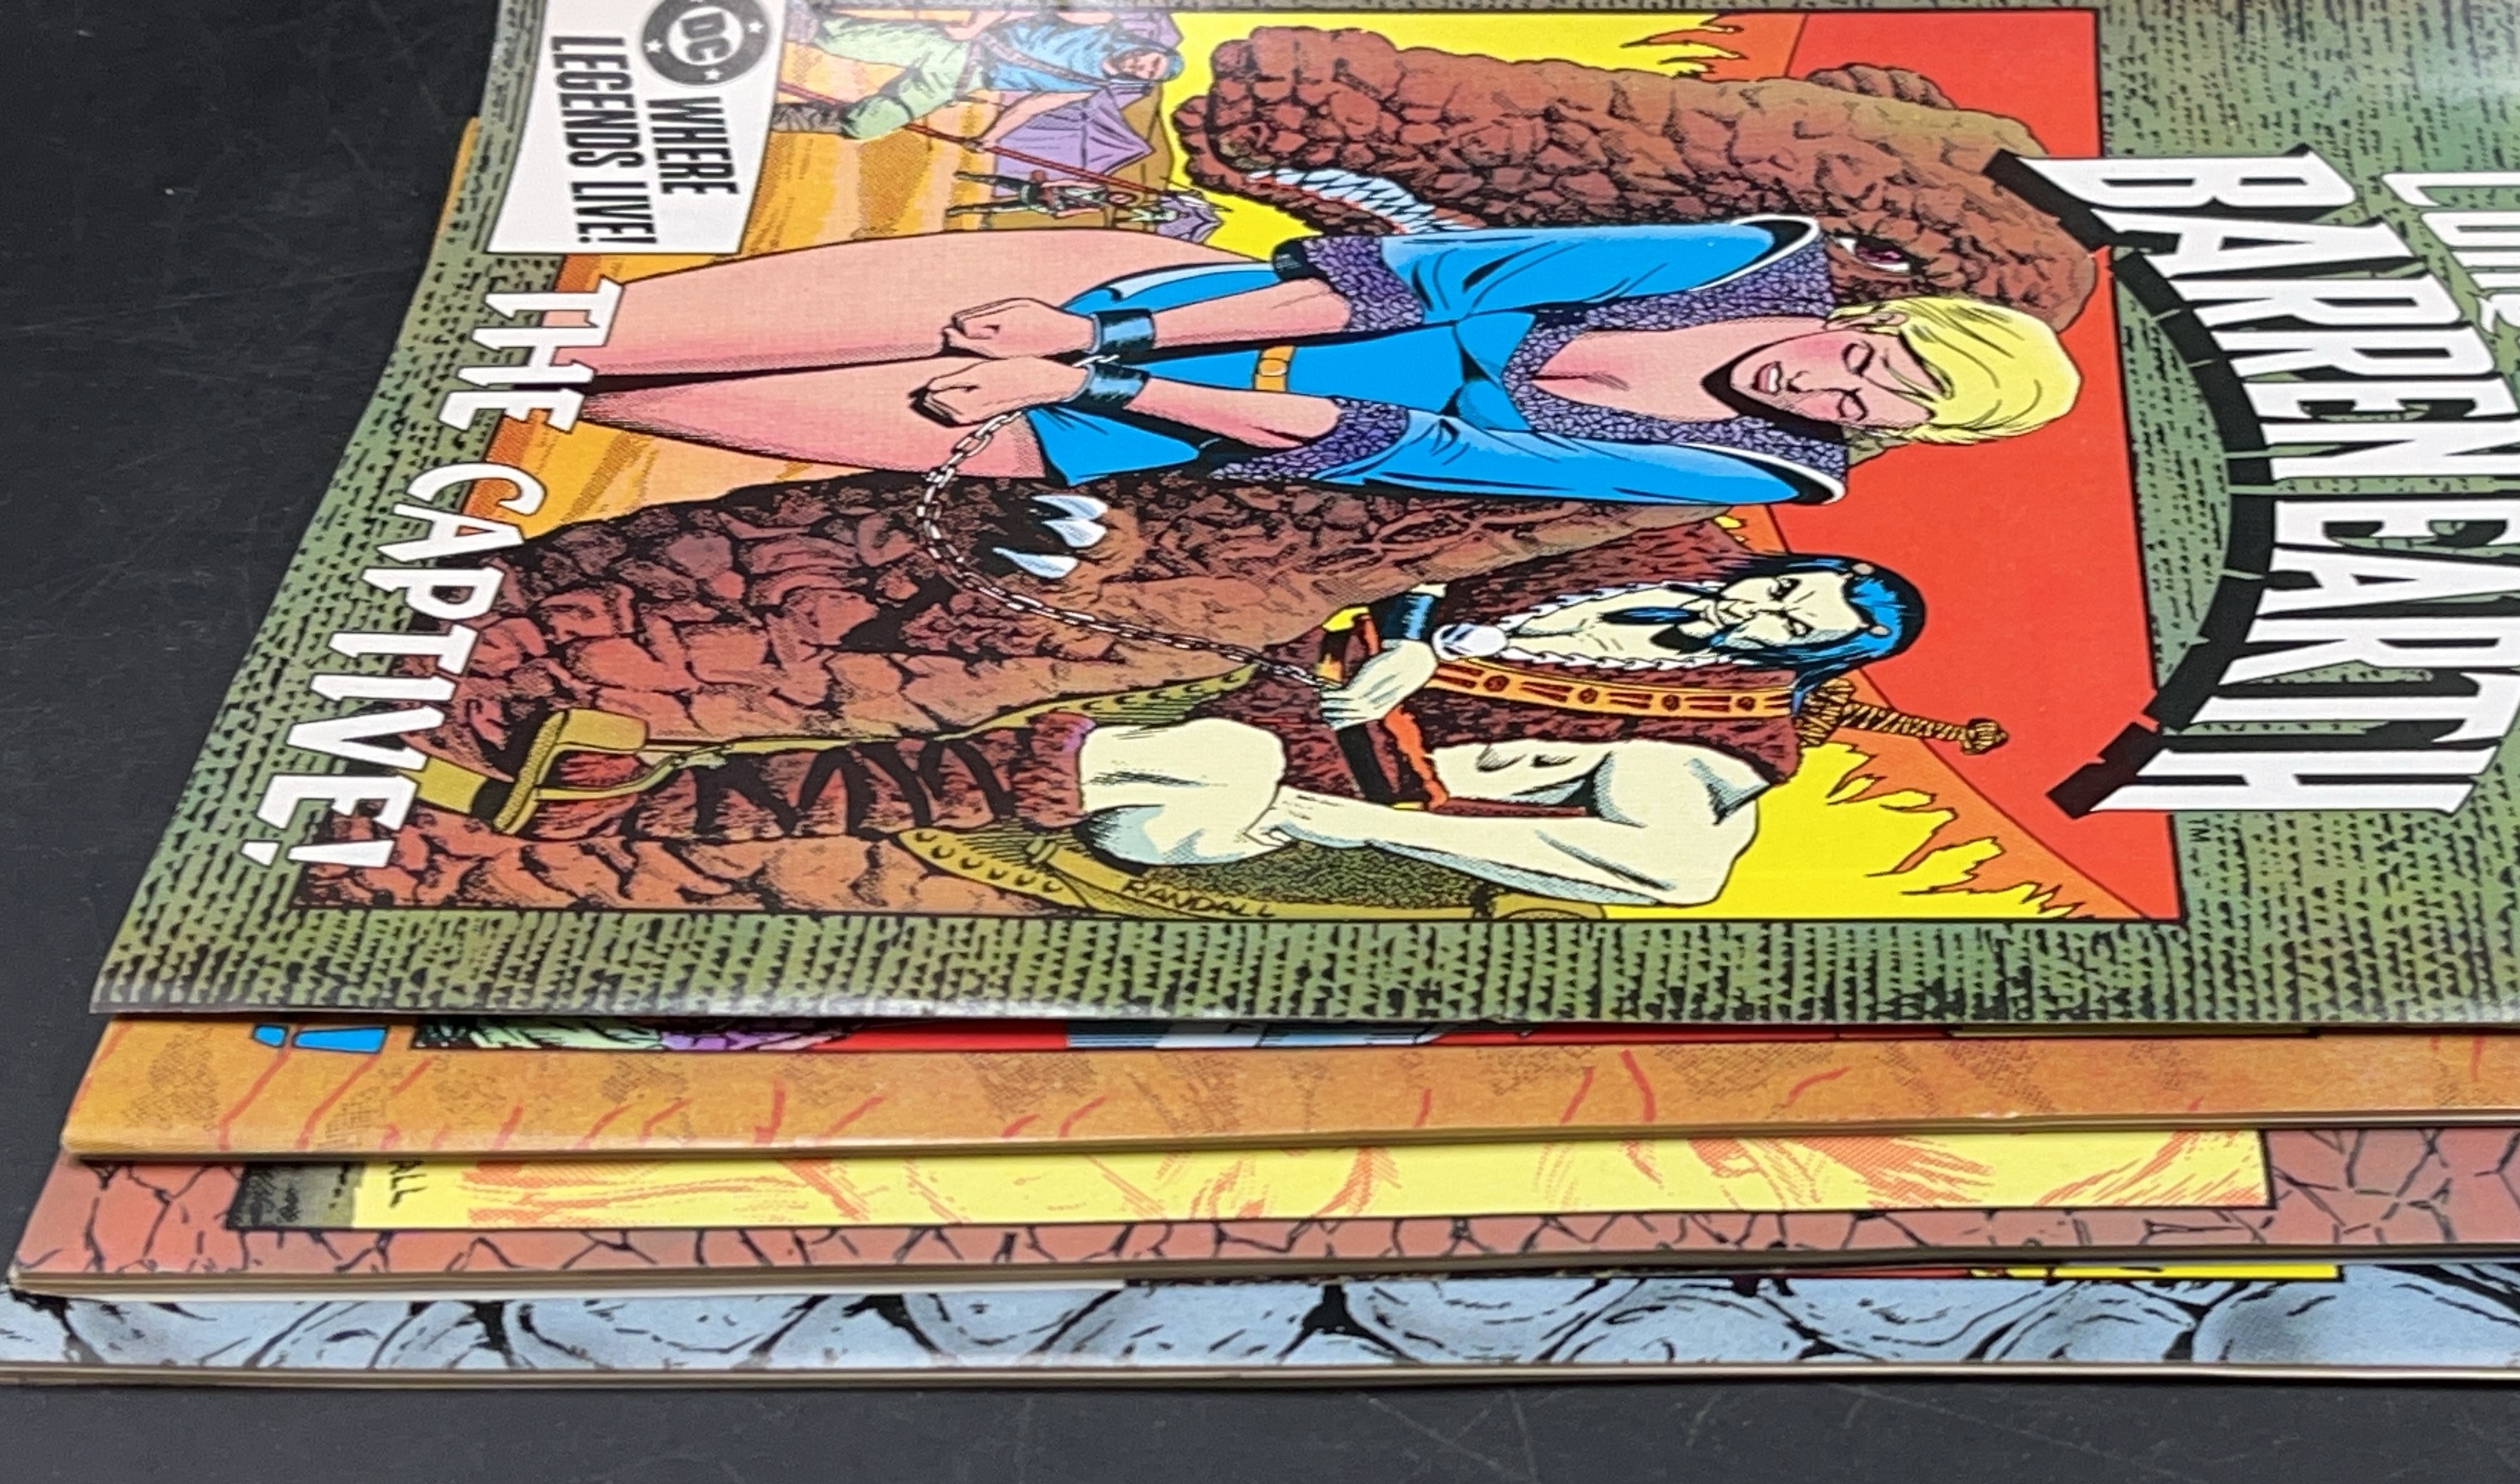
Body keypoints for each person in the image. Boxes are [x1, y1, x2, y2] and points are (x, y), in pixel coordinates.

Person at [408, 551, 1964, 915]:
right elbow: (1441, 562)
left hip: (1288, 801)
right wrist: (1411, 641)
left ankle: (653, 807)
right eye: (1792, 583)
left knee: (1200, 770)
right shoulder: (1647, 561)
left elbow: (1676, 871)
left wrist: (1345, 820)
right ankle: (648, 754)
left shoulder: (1728, 729)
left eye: (1806, 623)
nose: (1773, 609)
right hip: (1280, 673)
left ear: (1811, 659)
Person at [565, 219, 2080, 504]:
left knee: (639, 407)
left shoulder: (1764, 471)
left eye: (1877, 411)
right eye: (1868, 358)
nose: (1831, 389)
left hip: (1137, 423)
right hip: (1162, 303)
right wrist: (1092, 330)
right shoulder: (1743, 259)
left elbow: (1414, 447)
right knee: (614, 337)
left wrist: (1085, 390)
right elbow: (1399, 286)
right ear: (1883, 319)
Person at [775, 4, 1183, 144]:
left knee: (867, 125)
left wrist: (989, 138)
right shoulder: (1100, 22)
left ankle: (772, 121)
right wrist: (977, 24)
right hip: (959, 46)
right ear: (1150, 47)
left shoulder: (1087, 87)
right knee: (834, 36)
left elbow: (1030, 107)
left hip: (957, 81)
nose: (1142, 65)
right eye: (1151, 59)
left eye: (1151, 72)